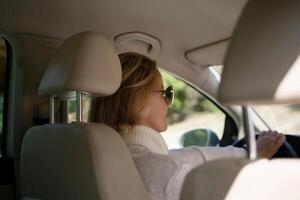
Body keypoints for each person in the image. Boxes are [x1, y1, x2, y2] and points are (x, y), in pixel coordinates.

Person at [90, 52, 285, 200]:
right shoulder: (167, 173)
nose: (169, 102)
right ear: (137, 101)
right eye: (165, 93)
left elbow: (185, 156)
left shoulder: (102, 158)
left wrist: (248, 154)